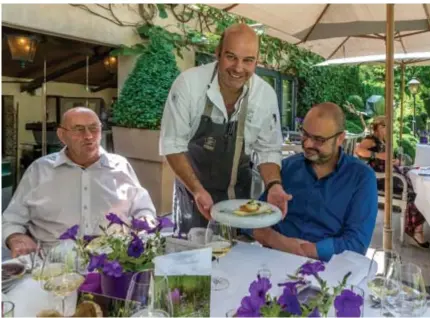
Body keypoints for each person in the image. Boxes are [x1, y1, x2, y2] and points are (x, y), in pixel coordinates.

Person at [160, 23, 290, 235]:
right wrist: (197, 190)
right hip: (194, 195)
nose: (239, 68)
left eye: (248, 60)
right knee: (194, 258)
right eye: (231, 57)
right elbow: (172, 145)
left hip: (240, 200)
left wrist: (274, 185)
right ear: (218, 53)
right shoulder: (189, 85)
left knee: (236, 259)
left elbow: (268, 150)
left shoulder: (264, 96)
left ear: (257, 61)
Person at [3, 107, 156, 258]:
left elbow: (143, 209)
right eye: (79, 129)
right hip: (52, 268)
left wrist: (144, 224)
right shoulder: (39, 170)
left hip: (114, 263)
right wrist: (17, 238)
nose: (88, 136)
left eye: (94, 128)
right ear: (62, 135)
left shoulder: (120, 166)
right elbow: (11, 220)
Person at [250, 102, 378, 261]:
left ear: (340, 139)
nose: (308, 144)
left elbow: (356, 244)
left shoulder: (361, 178)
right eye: (305, 134)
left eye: (318, 139)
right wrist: (278, 241)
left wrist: (305, 250)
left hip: (328, 270)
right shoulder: (288, 167)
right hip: (275, 260)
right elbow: (254, 218)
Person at [355, 115, 430, 248]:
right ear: (377, 127)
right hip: (382, 178)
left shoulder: (382, 140)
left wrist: (393, 161)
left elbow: (384, 159)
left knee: (416, 176)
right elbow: (359, 150)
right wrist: (378, 155)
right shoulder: (371, 140)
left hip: (391, 173)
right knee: (415, 188)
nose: (388, 129)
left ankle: (415, 226)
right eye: (385, 126)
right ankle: (415, 229)